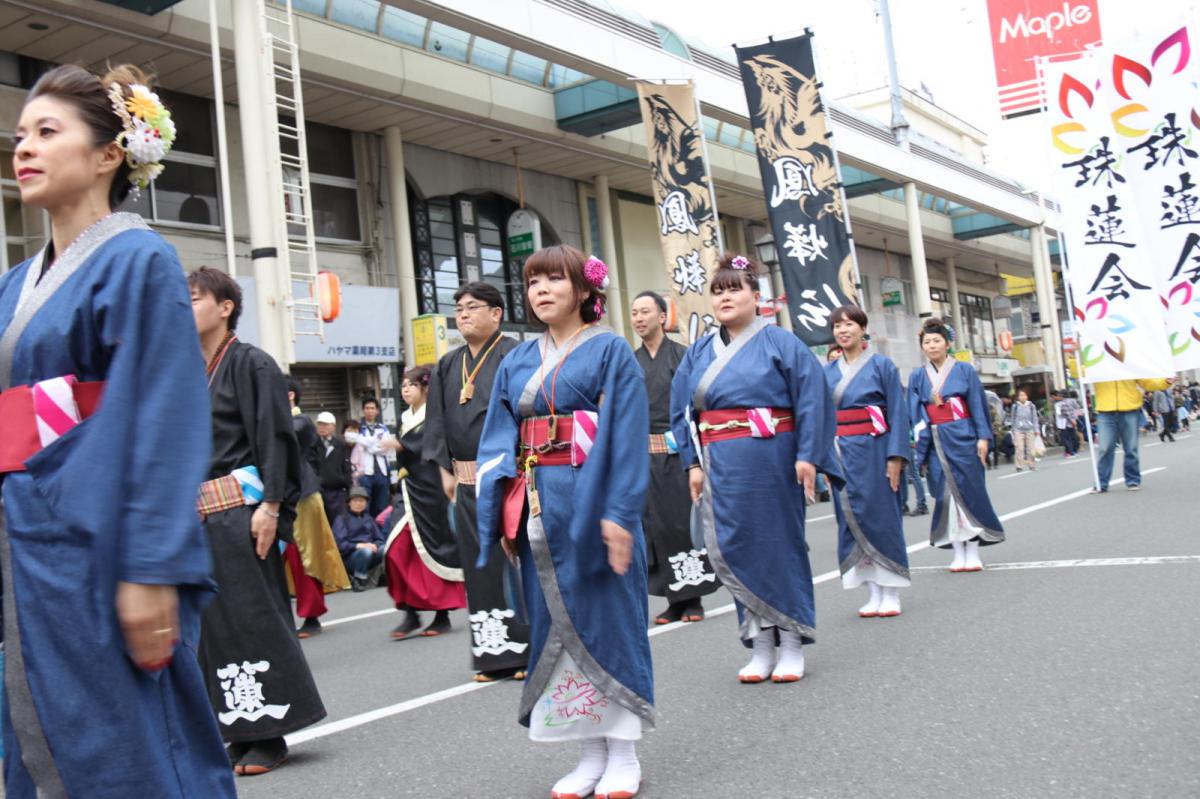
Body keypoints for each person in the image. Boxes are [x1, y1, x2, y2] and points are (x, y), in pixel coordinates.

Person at [0, 63, 235, 797]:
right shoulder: (14, 282)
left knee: (131, 744)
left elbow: (164, 414)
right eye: (18, 135)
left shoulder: (139, 260)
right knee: (40, 729)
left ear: (109, 154)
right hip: (27, 536)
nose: (23, 148)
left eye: (46, 131)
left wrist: (151, 566)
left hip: (100, 541)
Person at [476, 245, 652, 799]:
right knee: (554, 627)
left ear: (583, 290)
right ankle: (589, 752)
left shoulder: (610, 351)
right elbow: (497, 439)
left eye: (555, 279)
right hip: (535, 507)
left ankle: (623, 751)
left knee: (610, 620)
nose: (542, 290)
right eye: (532, 282)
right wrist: (498, 510)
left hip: (591, 500)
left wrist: (619, 514)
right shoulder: (517, 360)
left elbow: (624, 436)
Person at [671, 253, 838, 685]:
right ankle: (759, 644)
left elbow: (813, 397)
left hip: (773, 458)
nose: (725, 298)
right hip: (720, 463)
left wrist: (808, 455)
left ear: (755, 296)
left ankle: (793, 642)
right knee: (734, 545)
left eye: (734, 289)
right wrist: (692, 462)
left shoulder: (782, 342)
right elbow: (682, 412)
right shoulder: (699, 352)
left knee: (779, 545)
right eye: (718, 291)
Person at [189, 266, 326, 775]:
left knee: (252, 617)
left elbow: (275, 438)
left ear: (225, 307)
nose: (186, 307)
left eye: (195, 298)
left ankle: (269, 733)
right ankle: (237, 727)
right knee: (212, 627)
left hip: (244, 510)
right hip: (196, 514)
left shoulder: (252, 364)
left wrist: (271, 507)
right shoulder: (184, 367)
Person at [422, 281, 529, 681]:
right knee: (479, 567)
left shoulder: (517, 355)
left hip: (508, 479)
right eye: (459, 309)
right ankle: (493, 655)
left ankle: (528, 647)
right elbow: (436, 420)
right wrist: (444, 470)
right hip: (465, 483)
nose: (463, 315)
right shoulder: (448, 364)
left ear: (496, 313)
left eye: (472, 307)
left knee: (513, 563)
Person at [630, 290, 719, 625]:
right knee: (655, 527)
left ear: (662, 315)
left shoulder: (682, 356)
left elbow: (693, 408)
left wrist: (695, 458)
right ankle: (672, 597)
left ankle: (692, 597)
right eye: (634, 313)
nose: (639, 318)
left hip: (679, 454)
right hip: (645, 458)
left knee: (682, 523)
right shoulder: (630, 361)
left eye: (645, 311)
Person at [825, 306, 911, 618]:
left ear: (863, 329)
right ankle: (872, 591)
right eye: (837, 326)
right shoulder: (827, 373)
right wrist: (825, 462)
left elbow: (898, 412)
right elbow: (823, 419)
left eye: (848, 324)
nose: (842, 330)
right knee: (850, 521)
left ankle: (891, 591)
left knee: (882, 517)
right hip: (841, 452)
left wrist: (895, 456)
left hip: (875, 450)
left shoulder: (882, 366)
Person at [909, 318, 1004, 572]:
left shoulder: (964, 370)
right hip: (935, 438)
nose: (931, 346)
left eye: (936, 340)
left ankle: (972, 549)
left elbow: (977, 405)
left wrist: (983, 437)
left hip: (963, 435)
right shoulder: (918, 375)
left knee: (970, 491)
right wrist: (920, 445)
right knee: (943, 496)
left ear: (947, 343)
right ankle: (957, 549)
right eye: (927, 342)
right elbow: (915, 411)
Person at [383, 366, 467, 639]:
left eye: (411, 385)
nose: (405, 389)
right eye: (403, 385)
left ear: (425, 388)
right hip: (408, 489)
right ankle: (410, 611)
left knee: (432, 548)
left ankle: (441, 614)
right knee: (395, 549)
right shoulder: (405, 416)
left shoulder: (434, 415)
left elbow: (433, 446)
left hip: (431, 488)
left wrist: (402, 445)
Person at [284, 380, 349, 638]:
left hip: (302, 497)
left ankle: (311, 615)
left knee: (304, 557)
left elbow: (282, 433)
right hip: (279, 496)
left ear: (289, 396)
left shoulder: (301, 423)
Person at [1092, 377, 1172, 492]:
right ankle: (1101, 483)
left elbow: (1147, 382)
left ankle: (1133, 480)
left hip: (1129, 409)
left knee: (1131, 447)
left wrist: (1165, 382)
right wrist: (1073, 358)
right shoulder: (1098, 362)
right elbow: (1078, 372)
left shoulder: (1128, 362)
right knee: (1104, 448)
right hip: (1105, 411)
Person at [334, 486, 385, 591]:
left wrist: (375, 545)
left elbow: (380, 539)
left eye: (362, 501)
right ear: (349, 503)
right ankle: (358, 580)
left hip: (370, 552)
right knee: (365, 551)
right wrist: (359, 546)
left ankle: (385, 577)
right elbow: (340, 545)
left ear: (366, 504)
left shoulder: (369, 519)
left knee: (386, 548)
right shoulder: (341, 519)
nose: (358, 503)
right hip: (350, 557)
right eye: (355, 500)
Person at [316, 411, 354, 528]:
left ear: (333, 426)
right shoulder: (312, 444)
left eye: (326, 424)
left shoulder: (341, 445)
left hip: (337, 493)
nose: (322, 428)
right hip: (317, 492)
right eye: (320, 424)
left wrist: (346, 485)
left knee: (337, 523)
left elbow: (346, 468)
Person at [358, 397, 394, 517]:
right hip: (365, 474)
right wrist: (375, 444)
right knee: (365, 506)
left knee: (382, 508)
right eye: (367, 408)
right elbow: (359, 447)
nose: (370, 411)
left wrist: (369, 445)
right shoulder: (358, 428)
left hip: (382, 473)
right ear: (363, 410)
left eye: (372, 408)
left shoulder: (383, 428)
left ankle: (381, 534)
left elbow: (386, 449)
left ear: (377, 411)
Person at [1008, 389, 1040, 471]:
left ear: (1027, 396)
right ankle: (1019, 466)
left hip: (1030, 429)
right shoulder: (1015, 406)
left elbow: (1034, 418)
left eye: (1024, 395)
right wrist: (1013, 430)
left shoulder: (1031, 406)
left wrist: (1036, 429)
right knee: (1019, 448)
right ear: (1018, 397)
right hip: (1018, 429)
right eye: (1021, 395)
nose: (1022, 397)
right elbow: (1013, 418)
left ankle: (1031, 464)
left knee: (1030, 448)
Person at [1054, 391, 1081, 457]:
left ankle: (1070, 452)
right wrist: (1076, 418)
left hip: (1064, 423)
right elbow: (1078, 408)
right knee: (1073, 436)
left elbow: (1064, 413)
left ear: (1061, 396)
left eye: (1059, 396)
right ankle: (1075, 451)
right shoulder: (1073, 400)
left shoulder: (1061, 403)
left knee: (1066, 438)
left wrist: (1072, 420)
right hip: (1073, 421)